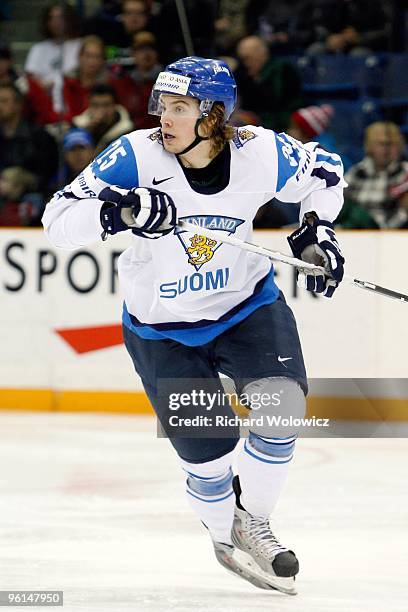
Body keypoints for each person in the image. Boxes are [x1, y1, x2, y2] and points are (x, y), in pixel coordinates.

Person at [42, 57, 346, 594]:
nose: (164, 117)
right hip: (163, 329)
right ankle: (224, 531)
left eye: (179, 107)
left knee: (282, 408)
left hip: (246, 309)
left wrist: (316, 231)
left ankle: (254, 521)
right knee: (209, 456)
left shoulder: (261, 152)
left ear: (212, 116)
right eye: (161, 104)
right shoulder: (136, 156)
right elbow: (57, 221)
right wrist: (121, 213)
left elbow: (328, 176)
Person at [344, 122, 408, 228]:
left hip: (395, 237)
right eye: (381, 144)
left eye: (392, 144)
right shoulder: (356, 172)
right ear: (369, 146)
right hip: (356, 236)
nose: (386, 149)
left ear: (399, 147)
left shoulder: (405, 173)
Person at [235, 35, 302, 131]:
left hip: (281, 123)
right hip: (252, 123)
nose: (246, 63)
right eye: (242, 59)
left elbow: (287, 104)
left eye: (248, 58)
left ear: (263, 54)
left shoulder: (283, 70)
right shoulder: (242, 72)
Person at [0, 83, 59, 193]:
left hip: (32, 194)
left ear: (18, 105)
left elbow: (47, 173)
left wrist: (22, 181)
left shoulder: (39, 136)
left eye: (4, 101)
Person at [72, 84, 133, 154]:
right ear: (89, 106)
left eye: (106, 105)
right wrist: (85, 134)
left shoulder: (127, 131)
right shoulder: (78, 126)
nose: (101, 110)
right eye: (95, 105)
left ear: (115, 105)